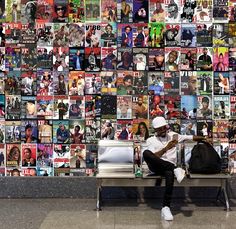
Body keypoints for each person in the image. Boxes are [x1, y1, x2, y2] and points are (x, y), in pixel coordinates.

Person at [142, 116, 207, 221]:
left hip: (168, 168)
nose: (163, 130)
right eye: (160, 129)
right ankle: (175, 168)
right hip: (156, 166)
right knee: (146, 153)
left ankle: (166, 207)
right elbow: (153, 157)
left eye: (164, 127)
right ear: (155, 130)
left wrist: (205, 138)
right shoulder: (151, 140)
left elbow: (190, 137)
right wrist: (166, 148)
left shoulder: (174, 136)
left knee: (169, 173)